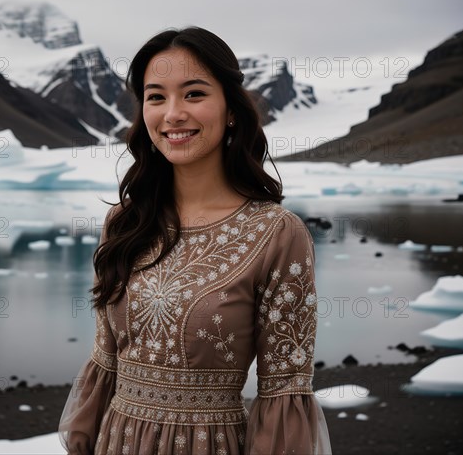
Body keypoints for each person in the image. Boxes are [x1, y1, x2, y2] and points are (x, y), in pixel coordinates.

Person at [59, 26, 332, 455]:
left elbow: (283, 389)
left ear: (231, 111)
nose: (172, 114)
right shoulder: (124, 222)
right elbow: (105, 364)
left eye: (193, 94)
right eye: (156, 96)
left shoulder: (278, 233)